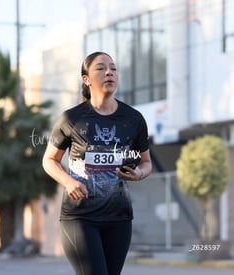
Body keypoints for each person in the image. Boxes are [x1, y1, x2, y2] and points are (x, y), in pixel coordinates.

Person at [42, 51, 152, 275]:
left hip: (119, 218)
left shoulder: (134, 119)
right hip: (80, 218)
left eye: (113, 67)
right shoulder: (71, 118)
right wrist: (68, 182)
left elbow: (146, 162)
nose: (109, 72)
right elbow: (49, 160)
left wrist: (138, 173)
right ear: (87, 79)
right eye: (101, 68)